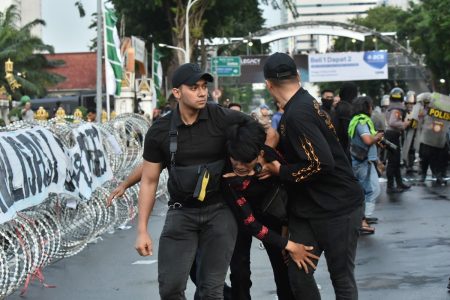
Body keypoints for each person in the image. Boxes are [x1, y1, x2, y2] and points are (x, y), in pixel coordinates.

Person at [136, 63, 254, 300]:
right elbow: (149, 179)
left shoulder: (220, 116)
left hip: (220, 212)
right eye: (194, 88)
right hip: (181, 213)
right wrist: (142, 230)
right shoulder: (160, 130)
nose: (202, 93)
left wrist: (250, 164)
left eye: (204, 87)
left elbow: (257, 129)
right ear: (177, 93)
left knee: (211, 290)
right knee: (170, 288)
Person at [262, 52, 364, 300]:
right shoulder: (302, 104)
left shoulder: (299, 113)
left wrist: (279, 170)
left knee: (341, 277)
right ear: (297, 76)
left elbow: (321, 163)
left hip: (339, 208)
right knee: (298, 274)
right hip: (307, 210)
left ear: (268, 84)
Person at [224, 121, 317, 300]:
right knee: (240, 273)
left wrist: (285, 232)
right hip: (241, 219)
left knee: (283, 269)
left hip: (274, 217)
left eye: (247, 161)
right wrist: (291, 245)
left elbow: (291, 192)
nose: (240, 166)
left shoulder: (271, 157)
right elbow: (251, 224)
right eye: (235, 160)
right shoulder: (228, 175)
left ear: (259, 154)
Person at [348, 96, 384, 235]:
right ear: (366, 107)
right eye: (370, 105)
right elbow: (368, 140)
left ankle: (364, 218)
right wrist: (378, 136)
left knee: (367, 191)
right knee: (370, 190)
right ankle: (362, 220)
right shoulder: (362, 122)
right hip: (363, 162)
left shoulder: (357, 120)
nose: (372, 108)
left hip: (364, 161)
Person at [385, 87, 411, 193]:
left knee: (395, 161)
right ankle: (390, 186)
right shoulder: (397, 109)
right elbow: (393, 122)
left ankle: (399, 183)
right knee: (393, 161)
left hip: (391, 135)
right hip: (392, 135)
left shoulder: (390, 107)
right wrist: (405, 124)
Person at [333, 82, 358, 160]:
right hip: (345, 150)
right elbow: (349, 133)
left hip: (338, 147)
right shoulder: (347, 109)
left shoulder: (340, 106)